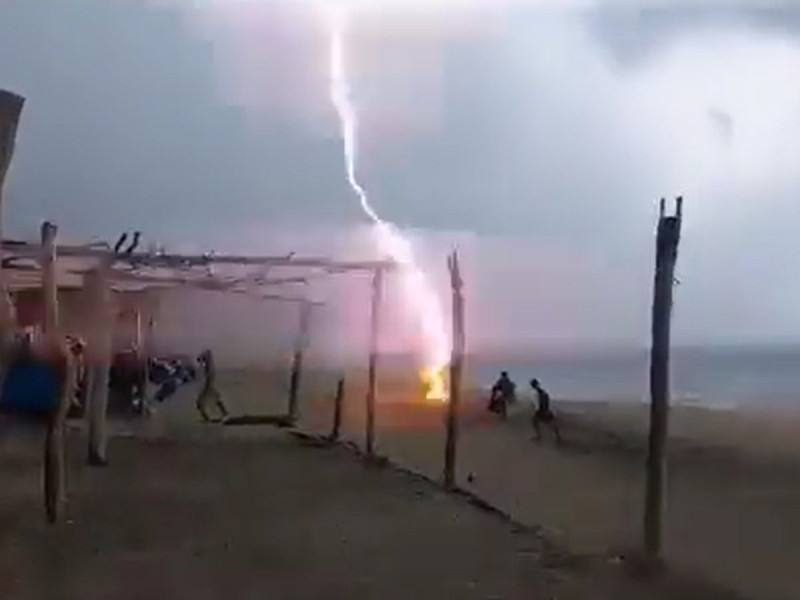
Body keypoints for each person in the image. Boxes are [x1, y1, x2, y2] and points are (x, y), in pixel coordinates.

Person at [196, 349, 229, 422]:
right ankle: (223, 413)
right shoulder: (207, 367)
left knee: (201, 402)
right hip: (207, 386)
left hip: (208, 386)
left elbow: (210, 376)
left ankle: (223, 414)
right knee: (213, 400)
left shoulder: (209, 368)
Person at [530, 378, 561, 443]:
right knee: (551, 422)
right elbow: (547, 399)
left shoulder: (535, 392)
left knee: (534, 421)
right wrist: (546, 408)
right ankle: (557, 436)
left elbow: (537, 402)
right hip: (546, 409)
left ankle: (538, 436)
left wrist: (537, 410)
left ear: (532, 385)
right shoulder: (542, 391)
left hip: (540, 410)